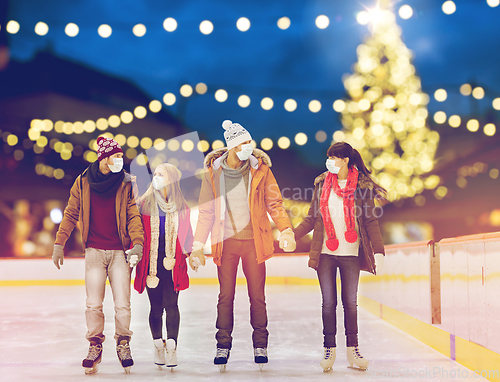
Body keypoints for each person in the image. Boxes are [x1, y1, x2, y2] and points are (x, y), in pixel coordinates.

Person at [191, 120, 296, 371]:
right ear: (232, 146)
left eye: (250, 142)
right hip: (225, 244)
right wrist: (197, 245)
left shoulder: (260, 170)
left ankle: (260, 344)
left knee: (257, 296)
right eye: (244, 143)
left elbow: (275, 204)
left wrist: (287, 229)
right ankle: (223, 345)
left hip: (254, 243)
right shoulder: (214, 173)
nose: (249, 146)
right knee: (225, 296)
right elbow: (206, 212)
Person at [52, 136, 144, 375]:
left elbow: (133, 215)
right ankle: (95, 346)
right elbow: (71, 213)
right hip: (94, 250)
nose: (120, 161)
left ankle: (123, 343)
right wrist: (59, 243)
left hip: (120, 252)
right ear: (103, 158)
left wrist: (137, 243)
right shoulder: (82, 182)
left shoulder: (126, 182)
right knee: (93, 304)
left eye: (121, 157)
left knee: (123, 304)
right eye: (116, 156)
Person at [293, 141, 386, 372]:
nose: (330, 162)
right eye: (328, 157)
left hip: (351, 254)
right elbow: (312, 218)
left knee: (351, 304)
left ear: (345, 160)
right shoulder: (322, 183)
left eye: (334, 158)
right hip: (325, 253)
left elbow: (370, 221)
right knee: (328, 303)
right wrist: (292, 235)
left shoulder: (361, 187)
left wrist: (379, 250)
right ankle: (329, 350)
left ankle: (353, 350)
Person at [133, 163, 200, 370]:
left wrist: (192, 255)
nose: (157, 177)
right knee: (155, 308)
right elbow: (135, 232)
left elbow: (187, 235)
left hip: (173, 265)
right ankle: (157, 345)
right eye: (156, 174)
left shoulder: (182, 207)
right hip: (150, 266)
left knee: (172, 306)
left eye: (161, 174)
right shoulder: (143, 204)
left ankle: (171, 347)